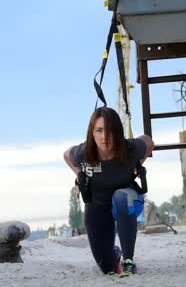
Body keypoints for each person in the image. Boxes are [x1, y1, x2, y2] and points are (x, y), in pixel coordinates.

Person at [64, 107, 154, 276]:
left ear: (118, 132)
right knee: (106, 268)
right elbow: (66, 155)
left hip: (127, 200)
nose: (104, 137)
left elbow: (148, 142)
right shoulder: (83, 153)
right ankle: (115, 254)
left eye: (110, 131)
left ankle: (128, 261)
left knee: (121, 197)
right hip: (97, 204)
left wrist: (138, 163)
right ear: (92, 132)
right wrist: (79, 175)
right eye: (99, 130)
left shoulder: (130, 149)